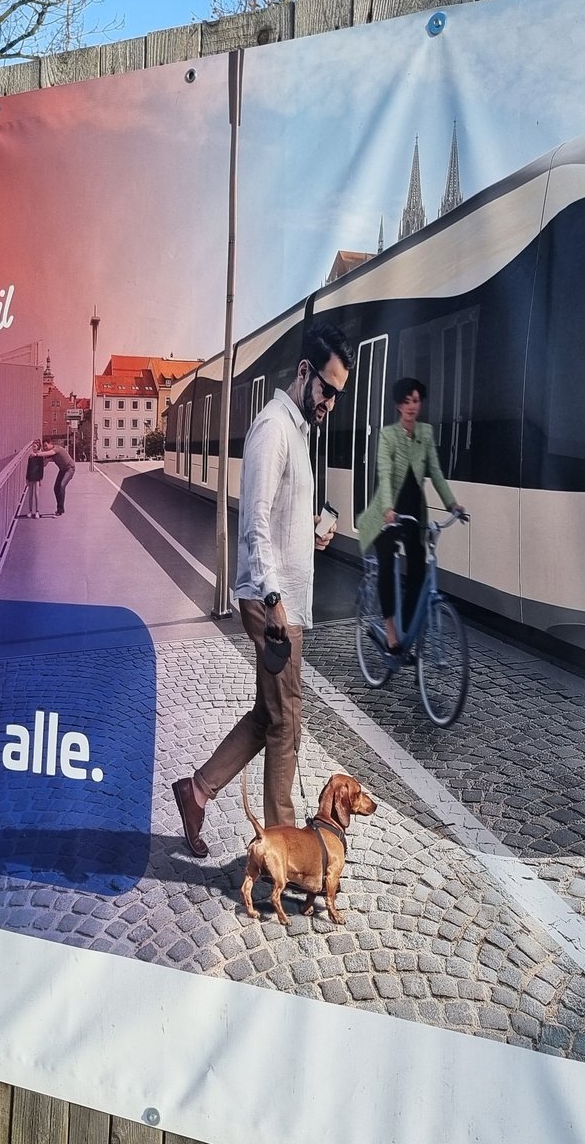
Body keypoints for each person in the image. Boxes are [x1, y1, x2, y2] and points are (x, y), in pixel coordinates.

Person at [171, 322, 354, 856]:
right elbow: (252, 522)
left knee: (267, 715)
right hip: (274, 603)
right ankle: (286, 852)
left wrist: (313, 528)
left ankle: (198, 790)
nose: (331, 403)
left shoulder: (296, 430)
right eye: (328, 390)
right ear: (304, 372)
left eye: (339, 395)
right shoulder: (274, 428)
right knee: (286, 725)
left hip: (284, 598)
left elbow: (277, 517)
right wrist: (275, 603)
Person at [355, 377, 464, 653]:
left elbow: (436, 472)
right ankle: (391, 630)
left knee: (418, 570)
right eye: (406, 401)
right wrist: (388, 509)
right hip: (388, 512)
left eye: (416, 400)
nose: (412, 406)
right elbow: (385, 472)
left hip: (415, 511)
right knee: (388, 564)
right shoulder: (388, 435)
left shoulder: (425, 434)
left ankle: (408, 628)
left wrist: (452, 504)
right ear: (398, 406)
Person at [40, 440, 76, 515]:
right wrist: (43, 459)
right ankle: (60, 508)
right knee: (56, 488)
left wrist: (37, 454)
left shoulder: (57, 449)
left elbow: (49, 453)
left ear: (50, 443)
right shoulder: (51, 454)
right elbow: (44, 465)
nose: (45, 447)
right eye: (44, 446)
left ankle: (60, 509)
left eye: (46, 445)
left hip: (70, 468)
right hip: (63, 470)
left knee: (62, 485)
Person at [22, 441, 46, 518]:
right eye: (32, 447)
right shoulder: (30, 457)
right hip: (31, 477)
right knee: (30, 495)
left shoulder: (40, 456)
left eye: (34, 446)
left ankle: (37, 511)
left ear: (38, 447)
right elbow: (28, 468)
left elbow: (41, 468)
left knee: (36, 494)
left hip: (37, 477)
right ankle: (30, 511)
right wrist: (27, 478)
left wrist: (41, 479)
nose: (33, 448)